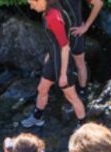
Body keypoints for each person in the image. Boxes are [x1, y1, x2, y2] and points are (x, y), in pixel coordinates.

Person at [22, 0, 86, 128]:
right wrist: (49, 55)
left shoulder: (54, 17)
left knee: (71, 96)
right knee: (42, 88)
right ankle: (37, 117)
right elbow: (54, 41)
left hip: (63, 62)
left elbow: (65, 47)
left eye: (32, 3)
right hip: (53, 59)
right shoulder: (47, 13)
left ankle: (83, 126)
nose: (31, 6)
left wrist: (63, 74)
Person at [60, 0, 104, 98]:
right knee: (56, 61)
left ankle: (83, 91)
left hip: (75, 33)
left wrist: (86, 26)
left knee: (80, 63)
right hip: (60, 33)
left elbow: (98, 3)